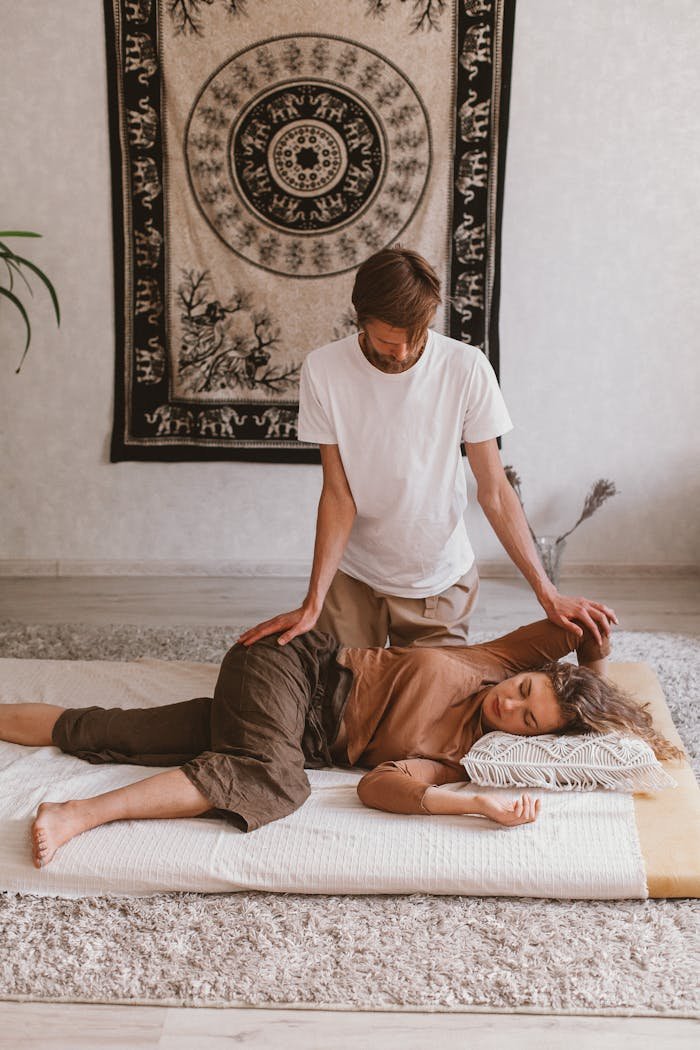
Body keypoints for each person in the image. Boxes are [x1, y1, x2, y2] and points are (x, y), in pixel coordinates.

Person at [1, 618, 680, 870]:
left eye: (527, 721)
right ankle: (79, 814)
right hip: (294, 663)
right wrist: (594, 669)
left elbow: (380, 787)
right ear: (525, 672)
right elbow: (576, 633)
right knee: (274, 782)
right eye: (525, 689)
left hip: (281, 728)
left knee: (113, 732)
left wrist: (475, 805)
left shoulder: (459, 761)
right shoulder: (490, 660)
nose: (512, 704)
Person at [239, 246, 617, 652]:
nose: (402, 353)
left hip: (439, 581)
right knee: (343, 689)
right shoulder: (323, 369)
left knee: (431, 693)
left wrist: (547, 592)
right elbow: (337, 494)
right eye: (387, 340)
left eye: (415, 337)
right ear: (361, 319)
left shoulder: (466, 367)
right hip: (354, 578)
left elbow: (494, 490)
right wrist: (313, 601)